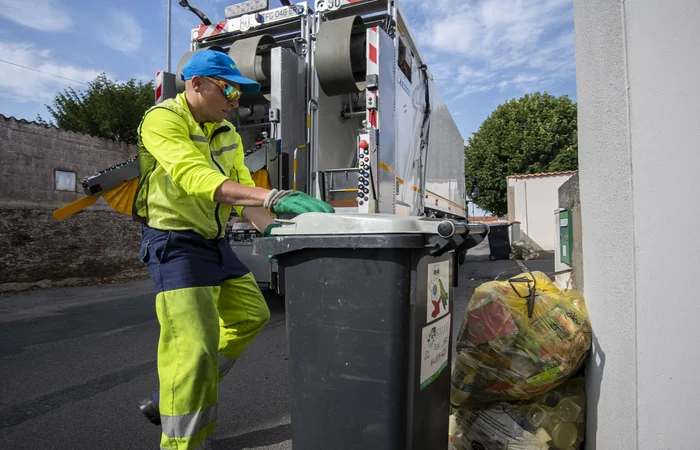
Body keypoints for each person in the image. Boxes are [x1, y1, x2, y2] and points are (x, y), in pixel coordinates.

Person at [132, 49, 334, 450]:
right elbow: (196, 177)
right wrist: (275, 195)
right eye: (230, 91)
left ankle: (174, 392)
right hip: (174, 242)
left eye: (239, 94)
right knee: (192, 349)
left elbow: (243, 198)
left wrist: (281, 235)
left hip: (213, 240)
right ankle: (181, 441)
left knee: (250, 315)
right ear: (197, 84)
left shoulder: (227, 135)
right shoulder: (162, 120)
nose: (235, 101)